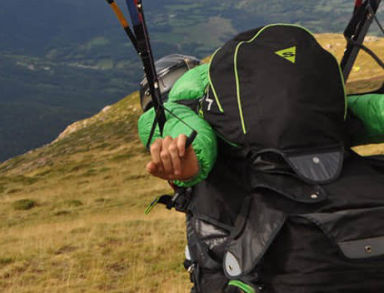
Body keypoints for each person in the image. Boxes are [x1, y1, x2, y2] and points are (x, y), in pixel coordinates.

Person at [137, 25, 384, 292]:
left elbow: (186, 136)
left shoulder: (189, 104)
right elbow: (360, 113)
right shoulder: (257, 101)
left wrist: (193, 163)